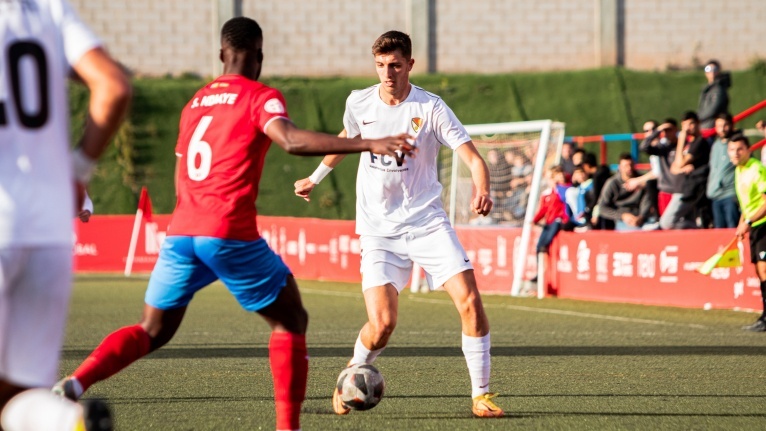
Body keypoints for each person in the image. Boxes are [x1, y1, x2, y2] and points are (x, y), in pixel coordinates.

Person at [52, 17, 413, 431]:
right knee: (291, 321)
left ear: (222, 54)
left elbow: (182, 166)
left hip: (183, 231)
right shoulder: (260, 96)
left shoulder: (195, 102)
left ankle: (74, 385)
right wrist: (367, 141)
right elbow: (291, 141)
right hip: (226, 231)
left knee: (151, 329)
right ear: (259, 56)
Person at [293, 31, 504, 418]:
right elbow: (347, 137)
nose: (387, 73)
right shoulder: (359, 101)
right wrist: (315, 177)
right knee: (383, 323)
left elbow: (472, 157)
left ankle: (482, 396)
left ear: (409, 64)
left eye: (394, 65)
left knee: (471, 302)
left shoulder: (432, 107)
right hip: (378, 231)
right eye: (380, 65)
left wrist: (483, 187)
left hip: (427, 223)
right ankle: (349, 377)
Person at [0, 1, 131, 430]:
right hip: (48, 233)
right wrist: (78, 170)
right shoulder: (48, 10)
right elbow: (113, 86)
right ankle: (69, 420)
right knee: (19, 398)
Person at [729, 134, 766, 332]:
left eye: (739, 149)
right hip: (755, 225)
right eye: (731, 150)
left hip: (764, 224)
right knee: (761, 272)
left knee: (764, 271)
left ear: (748, 150)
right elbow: (748, 203)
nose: (735, 153)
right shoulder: (739, 170)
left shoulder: (756, 169)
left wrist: (749, 221)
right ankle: (765, 317)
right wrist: (741, 223)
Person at [639, 119, 685, 229]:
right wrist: (657, 131)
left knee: (679, 224)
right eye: (666, 131)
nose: (668, 133)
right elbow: (644, 147)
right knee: (665, 225)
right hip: (665, 190)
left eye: (670, 130)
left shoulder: (683, 145)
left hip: (681, 190)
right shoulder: (662, 148)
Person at [670, 111, 711, 228]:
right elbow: (674, 168)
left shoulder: (700, 142)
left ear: (698, 124)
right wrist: (681, 169)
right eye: (685, 125)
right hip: (685, 187)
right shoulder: (689, 144)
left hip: (696, 190)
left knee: (668, 221)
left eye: (691, 124)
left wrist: (681, 141)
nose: (688, 128)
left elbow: (680, 163)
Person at [597, 153, 655, 231]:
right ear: (620, 167)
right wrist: (622, 216)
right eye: (625, 166)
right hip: (622, 220)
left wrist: (641, 217)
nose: (629, 168)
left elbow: (646, 201)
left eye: (631, 165)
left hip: (642, 219)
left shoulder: (641, 181)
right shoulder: (612, 183)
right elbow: (602, 207)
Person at [706, 113, 740, 228]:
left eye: (725, 125)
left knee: (733, 229)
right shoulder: (715, 145)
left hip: (730, 195)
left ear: (731, 125)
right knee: (720, 232)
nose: (722, 129)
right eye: (719, 125)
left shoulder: (736, 145)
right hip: (715, 196)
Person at [698, 60, 731, 130]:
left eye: (715, 69)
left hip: (712, 127)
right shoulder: (708, 89)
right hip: (705, 126)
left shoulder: (718, 89)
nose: (712, 72)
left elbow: (713, 110)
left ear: (719, 71)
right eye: (708, 69)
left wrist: (697, 118)